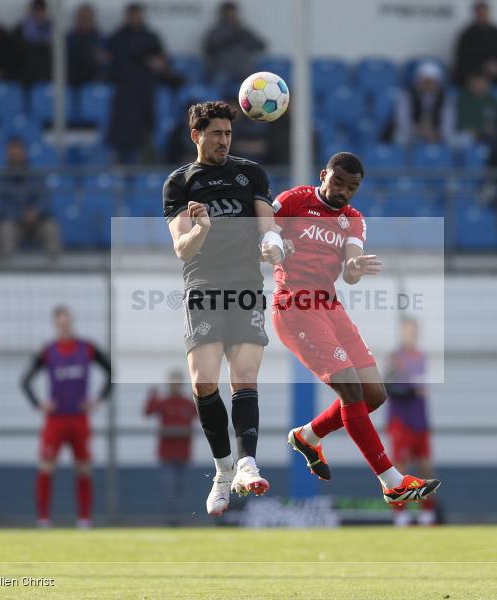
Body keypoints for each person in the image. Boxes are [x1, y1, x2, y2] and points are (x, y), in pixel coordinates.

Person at [275, 152, 441, 507]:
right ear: (324, 175)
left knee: (374, 394)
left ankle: (308, 435)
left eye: (352, 188)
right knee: (351, 390)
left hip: (331, 306)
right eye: (338, 183)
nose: (343, 192)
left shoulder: (353, 219)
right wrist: (272, 246)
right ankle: (390, 479)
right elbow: (262, 237)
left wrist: (353, 268)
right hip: (296, 305)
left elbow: (350, 270)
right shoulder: (294, 201)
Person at [162, 101, 287, 516]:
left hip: (246, 282)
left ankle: (247, 463)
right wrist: (201, 228)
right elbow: (182, 250)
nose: (223, 141)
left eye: (228, 134)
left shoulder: (250, 173)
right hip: (203, 285)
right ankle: (222, 470)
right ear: (197, 135)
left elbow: (266, 224)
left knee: (245, 376)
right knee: (203, 382)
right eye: (215, 133)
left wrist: (272, 244)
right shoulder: (179, 183)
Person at [21, 305, 113, 528]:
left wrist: (97, 399)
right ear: (55, 325)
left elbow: (111, 372)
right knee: (46, 466)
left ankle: (84, 518)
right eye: (60, 324)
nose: (65, 327)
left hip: (79, 419)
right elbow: (25, 381)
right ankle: (43, 518)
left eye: (68, 323)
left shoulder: (87, 348)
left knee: (83, 468)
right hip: (56, 420)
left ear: (72, 323)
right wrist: (38, 403)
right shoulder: (48, 351)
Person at [108, 3, 181, 164]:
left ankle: (147, 159)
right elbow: (113, 62)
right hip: (126, 90)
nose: (135, 19)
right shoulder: (118, 37)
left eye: (138, 15)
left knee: (148, 126)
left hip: (147, 89)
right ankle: (122, 161)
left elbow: (161, 61)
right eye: (132, 15)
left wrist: (155, 63)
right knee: (124, 127)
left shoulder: (151, 36)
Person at [384, 317, 437, 526]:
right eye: (407, 331)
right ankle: (401, 514)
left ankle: (427, 513)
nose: (410, 335)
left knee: (426, 467)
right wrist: (410, 390)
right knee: (400, 468)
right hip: (401, 421)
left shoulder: (422, 358)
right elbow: (387, 387)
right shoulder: (394, 358)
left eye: (413, 331)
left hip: (420, 420)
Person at [0, 137, 61, 263]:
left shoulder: (36, 176)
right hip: (14, 222)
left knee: (51, 228)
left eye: (19, 152)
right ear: (7, 154)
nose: (16, 156)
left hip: (37, 221)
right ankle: (6, 269)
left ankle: (53, 267)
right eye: (13, 153)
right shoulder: (1, 179)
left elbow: (45, 198)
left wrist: (36, 211)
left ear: (24, 153)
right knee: (6, 229)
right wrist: (20, 214)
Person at [144, 370, 197, 520]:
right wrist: (152, 395)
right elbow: (148, 412)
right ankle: (171, 519)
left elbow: (203, 416)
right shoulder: (163, 402)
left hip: (184, 454)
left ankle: (184, 518)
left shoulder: (188, 403)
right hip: (166, 454)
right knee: (169, 488)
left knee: (182, 488)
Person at [202, 2, 266, 99]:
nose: (230, 16)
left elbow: (261, 46)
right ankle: (215, 110)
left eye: (232, 13)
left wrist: (240, 33)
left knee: (257, 84)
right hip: (222, 68)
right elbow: (209, 49)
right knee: (217, 85)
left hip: (243, 68)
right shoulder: (216, 31)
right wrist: (230, 36)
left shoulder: (243, 30)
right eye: (227, 14)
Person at [452, 1, 497, 91]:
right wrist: (483, 67)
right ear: (475, 14)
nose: (482, 16)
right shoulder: (466, 35)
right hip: (474, 72)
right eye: (480, 14)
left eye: (484, 13)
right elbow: (462, 60)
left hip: (496, 73)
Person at [385, 61, 446, 146]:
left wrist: (436, 132)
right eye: (425, 81)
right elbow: (403, 121)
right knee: (399, 137)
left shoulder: (444, 97)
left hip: (435, 134)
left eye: (431, 82)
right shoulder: (407, 94)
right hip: (412, 133)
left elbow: (447, 121)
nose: (428, 85)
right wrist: (419, 132)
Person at [448, 73, 497, 145]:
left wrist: (492, 129)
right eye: (476, 82)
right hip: (467, 134)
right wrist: (477, 129)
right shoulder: (462, 99)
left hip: (490, 136)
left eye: (481, 82)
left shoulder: (494, 100)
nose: (478, 85)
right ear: (469, 84)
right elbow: (461, 120)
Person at [11, 0, 52, 85]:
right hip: (25, 76)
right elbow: (16, 52)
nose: (38, 13)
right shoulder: (20, 29)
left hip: (46, 75)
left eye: (41, 10)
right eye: (35, 10)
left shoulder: (52, 30)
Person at [67, 3, 107, 86]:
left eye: (87, 18)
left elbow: (106, 61)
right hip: (72, 83)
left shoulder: (100, 38)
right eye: (82, 18)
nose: (85, 21)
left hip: (94, 82)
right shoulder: (69, 38)